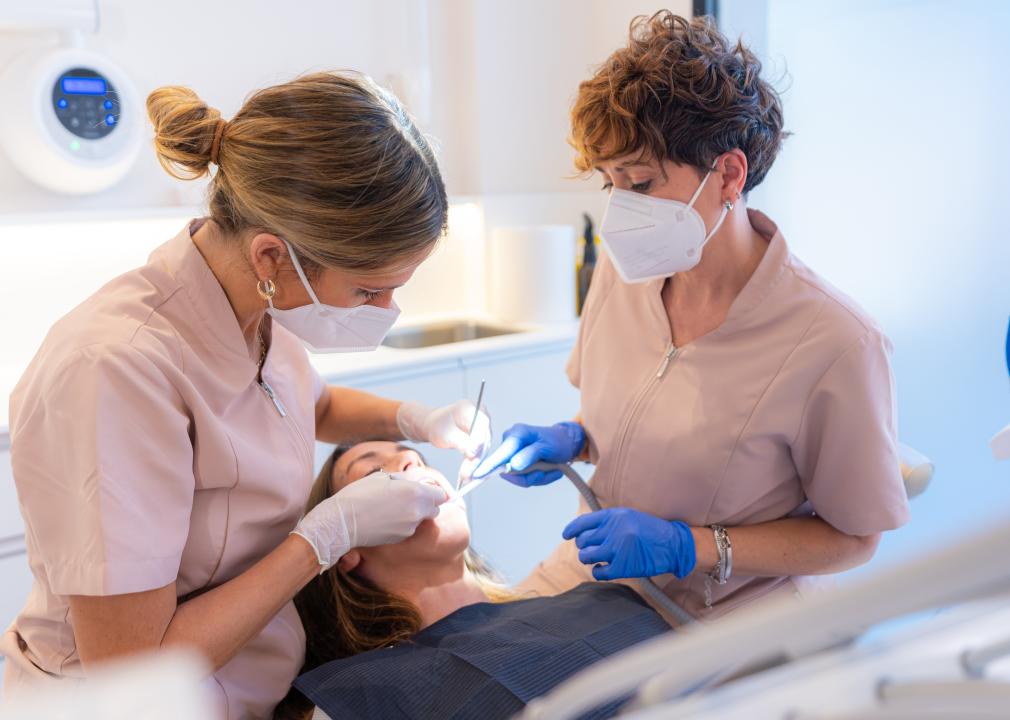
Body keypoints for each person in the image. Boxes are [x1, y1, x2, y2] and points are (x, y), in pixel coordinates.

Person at [1, 71, 490, 719]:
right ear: (271, 257)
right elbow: (131, 671)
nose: (388, 310)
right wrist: (322, 537)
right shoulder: (114, 373)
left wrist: (419, 418)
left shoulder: (260, 310)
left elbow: (305, 406)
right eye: (370, 292)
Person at [474, 12, 910, 619]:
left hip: (723, 618)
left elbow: (855, 539)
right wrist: (573, 440)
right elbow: (645, 404)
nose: (623, 209)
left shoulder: (835, 341)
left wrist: (689, 547)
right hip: (595, 584)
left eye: (642, 182)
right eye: (610, 184)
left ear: (728, 174)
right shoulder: (623, 275)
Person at [276, 441, 672, 720]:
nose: (412, 457)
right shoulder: (361, 694)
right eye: (375, 470)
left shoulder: (600, 602)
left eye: (411, 453)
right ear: (346, 547)